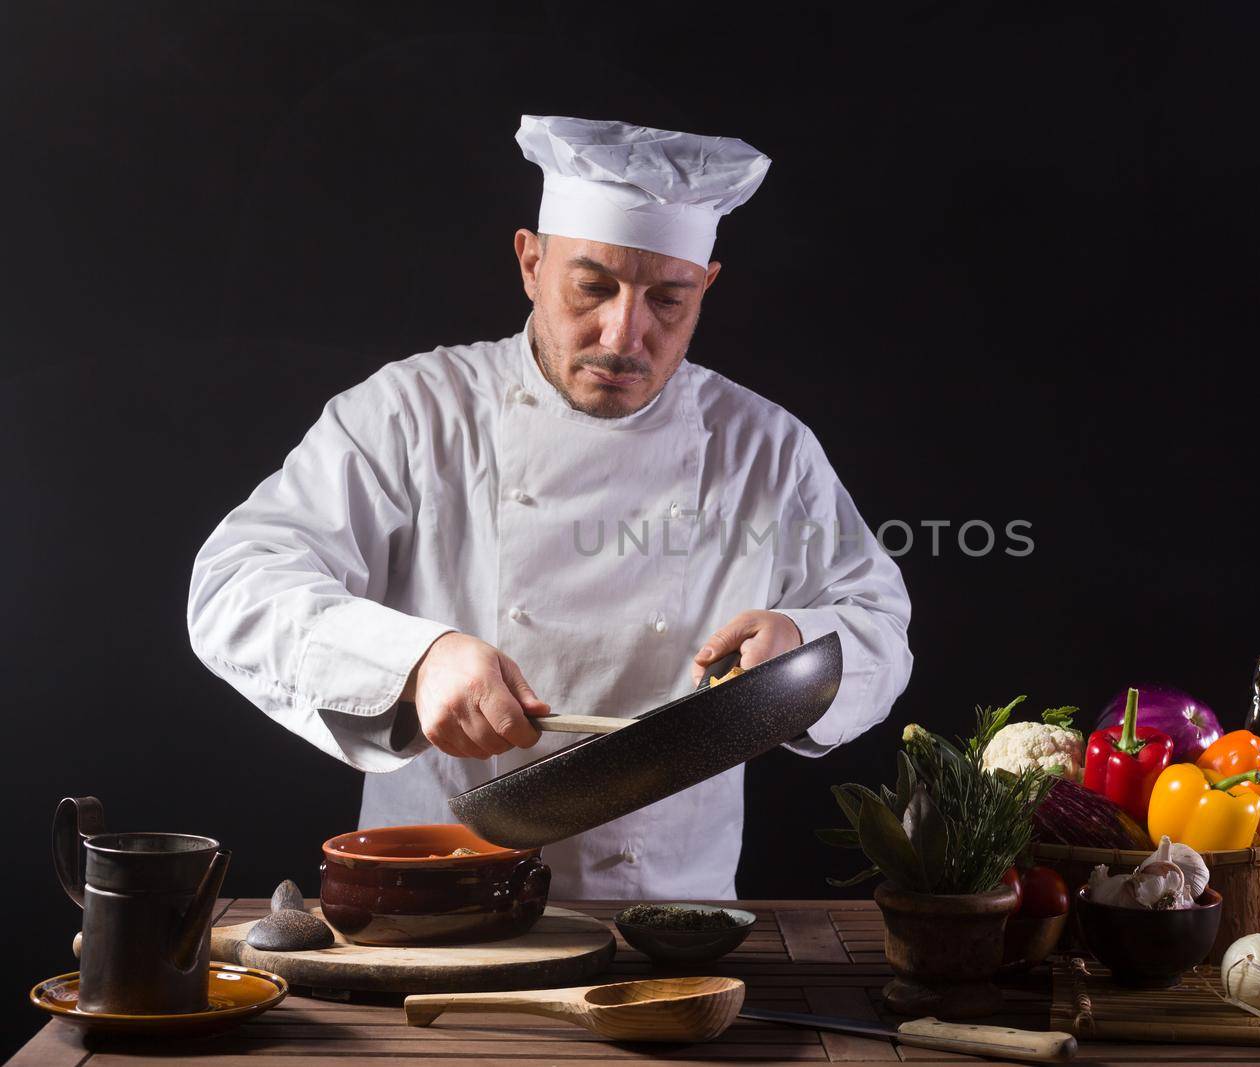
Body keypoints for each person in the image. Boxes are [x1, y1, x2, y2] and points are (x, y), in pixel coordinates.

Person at [186, 115, 914, 899]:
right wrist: (414, 660)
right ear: (531, 263)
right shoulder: (414, 413)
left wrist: (803, 646)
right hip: (442, 900)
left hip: (668, 915)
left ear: (706, 288)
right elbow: (234, 584)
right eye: (592, 287)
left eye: (667, 299)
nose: (623, 334)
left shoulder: (766, 448)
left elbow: (877, 621)